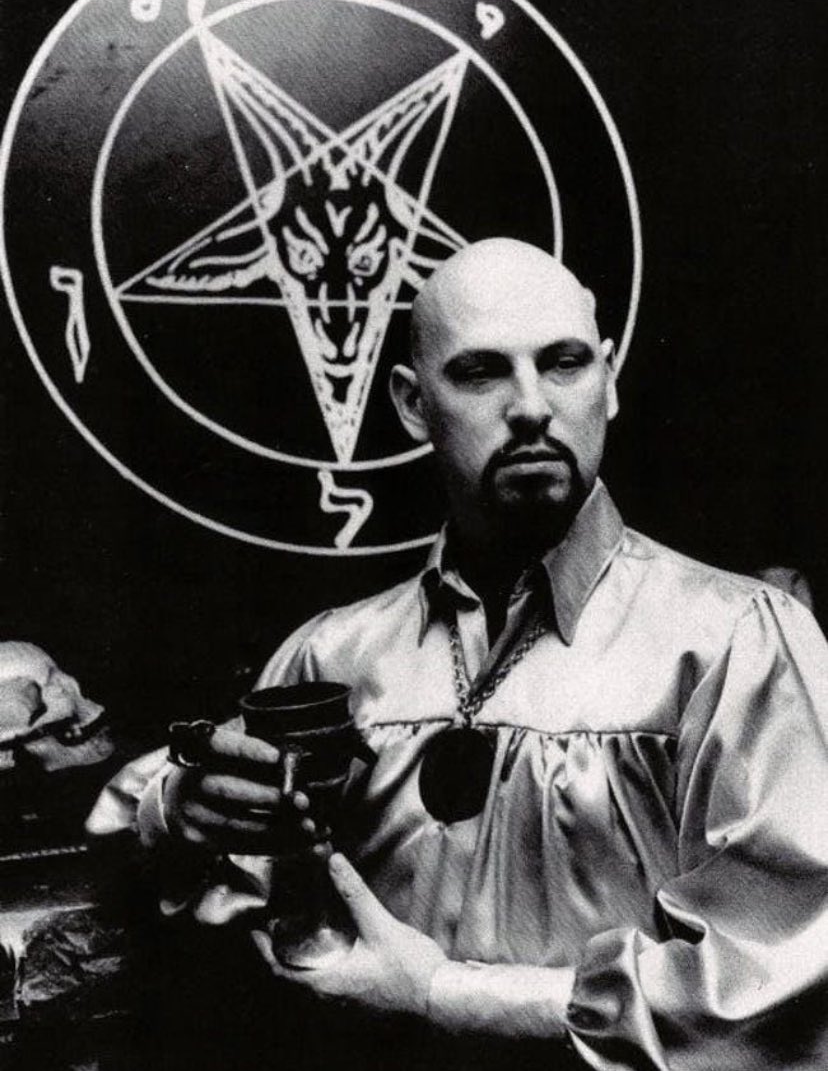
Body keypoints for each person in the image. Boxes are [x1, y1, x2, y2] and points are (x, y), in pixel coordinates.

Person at [88, 239, 828, 1070]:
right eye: (480, 372)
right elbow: (156, 851)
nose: (532, 406)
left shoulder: (735, 642)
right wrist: (181, 806)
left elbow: (783, 982)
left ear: (610, 380)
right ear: (413, 403)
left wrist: (445, 992)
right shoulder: (335, 655)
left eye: (565, 363)